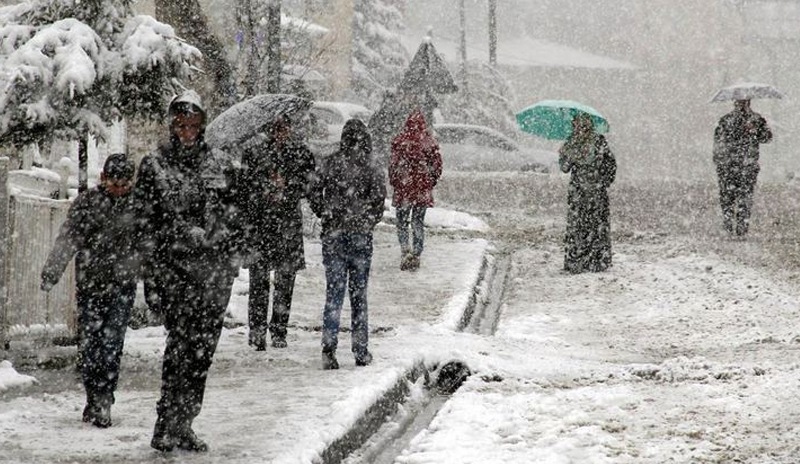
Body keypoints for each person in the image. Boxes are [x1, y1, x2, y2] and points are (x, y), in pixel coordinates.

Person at [136, 90, 240, 452]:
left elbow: (234, 214)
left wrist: (225, 246)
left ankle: (185, 422)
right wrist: (152, 278)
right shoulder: (155, 166)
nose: (187, 132)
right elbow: (145, 225)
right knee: (180, 349)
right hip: (175, 272)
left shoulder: (220, 164)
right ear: (171, 125)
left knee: (202, 353)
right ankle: (165, 422)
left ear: (203, 126)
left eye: (193, 125)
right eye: (180, 125)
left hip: (212, 275)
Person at [40, 153, 138, 429]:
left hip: (122, 284)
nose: (119, 188)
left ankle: (104, 397)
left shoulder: (138, 205)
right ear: (104, 179)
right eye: (115, 182)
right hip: (92, 284)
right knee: (90, 345)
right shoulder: (88, 203)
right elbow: (68, 238)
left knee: (112, 344)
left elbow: (149, 245)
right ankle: (93, 395)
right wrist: (52, 270)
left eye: (124, 183)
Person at [309, 119, 386, 370]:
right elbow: (379, 199)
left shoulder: (330, 162)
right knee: (359, 294)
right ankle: (360, 349)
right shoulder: (371, 166)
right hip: (360, 236)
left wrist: (325, 212)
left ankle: (329, 348)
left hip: (333, 235)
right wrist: (367, 220)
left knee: (334, 293)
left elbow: (313, 190)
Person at [238, 114, 316, 351]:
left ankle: (279, 330)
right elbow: (244, 187)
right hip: (261, 224)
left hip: (287, 224)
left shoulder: (300, 153)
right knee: (259, 281)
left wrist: (287, 187)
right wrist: (264, 189)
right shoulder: (253, 153)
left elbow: (308, 183)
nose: (280, 133)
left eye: (284, 128)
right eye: (276, 128)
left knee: (285, 280)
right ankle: (258, 330)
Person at [558, 113, 617, 274]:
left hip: (596, 191)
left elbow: (610, 164)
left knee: (596, 225)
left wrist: (603, 181)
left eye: (584, 125)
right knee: (578, 226)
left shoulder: (598, 141)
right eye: (577, 125)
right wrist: (564, 155)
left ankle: (597, 261)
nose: (580, 128)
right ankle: (577, 261)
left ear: (589, 126)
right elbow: (564, 168)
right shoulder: (571, 143)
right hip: (578, 192)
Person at [388, 109, 442, 271]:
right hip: (421, 189)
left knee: (402, 222)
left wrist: (396, 182)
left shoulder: (400, 141)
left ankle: (405, 249)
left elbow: (393, 165)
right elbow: (437, 166)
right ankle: (417, 252)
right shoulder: (429, 142)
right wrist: (430, 181)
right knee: (418, 222)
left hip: (404, 189)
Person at [713, 99, 773, 236]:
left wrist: (755, 130)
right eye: (739, 102)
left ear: (748, 103)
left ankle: (741, 228)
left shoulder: (757, 119)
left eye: (743, 102)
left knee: (744, 197)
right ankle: (729, 226)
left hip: (747, 165)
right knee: (727, 197)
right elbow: (718, 140)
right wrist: (719, 161)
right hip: (728, 165)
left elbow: (767, 138)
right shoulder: (726, 120)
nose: (741, 105)